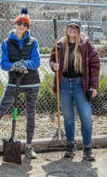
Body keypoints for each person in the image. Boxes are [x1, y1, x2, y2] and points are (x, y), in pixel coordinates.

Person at [0, 8, 40, 159]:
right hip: (14, 83)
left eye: (25, 24)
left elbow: (36, 62)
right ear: (15, 24)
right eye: (19, 23)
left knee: (30, 114)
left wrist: (24, 63)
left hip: (32, 83)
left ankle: (28, 146)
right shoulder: (6, 43)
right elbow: (3, 63)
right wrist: (14, 66)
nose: (21, 26)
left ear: (28, 27)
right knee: (1, 110)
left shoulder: (33, 42)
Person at [49, 19, 100, 161]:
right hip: (64, 84)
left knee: (86, 117)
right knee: (69, 118)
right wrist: (54, 65)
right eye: (70, 27)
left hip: (80, 85)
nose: (72, 29)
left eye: (75, 27)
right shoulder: (59, 44)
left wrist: (94, 86)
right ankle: (71, 145)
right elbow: (52, 59)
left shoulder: (86, 44)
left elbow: (95, 65)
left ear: (78, 30)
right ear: (66, 29)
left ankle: (87, 148)